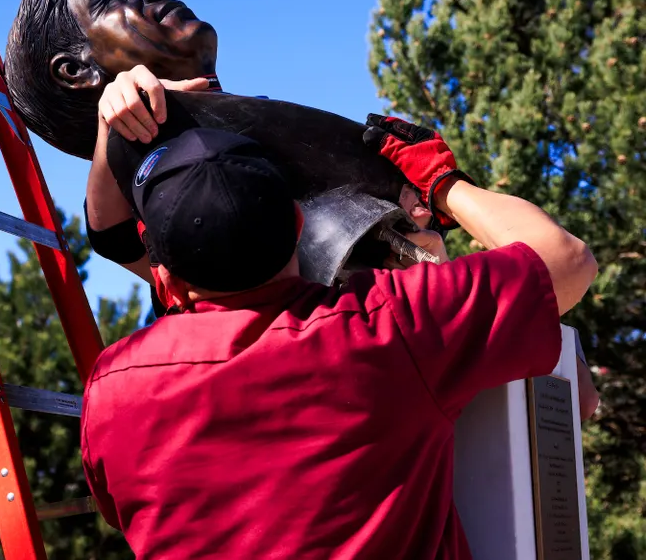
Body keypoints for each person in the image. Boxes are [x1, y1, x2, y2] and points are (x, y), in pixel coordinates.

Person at [7, 0, 600, 418]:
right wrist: (117, 129)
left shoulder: (122, 395)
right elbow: (109, 232)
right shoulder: (165, 209)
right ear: (78, 71)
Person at [80, 124, 598, 558]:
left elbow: (118, 510)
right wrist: (444, 184)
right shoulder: (387, 325)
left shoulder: (111, 389)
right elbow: (567, 259)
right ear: (298, 223)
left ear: (164, 278)